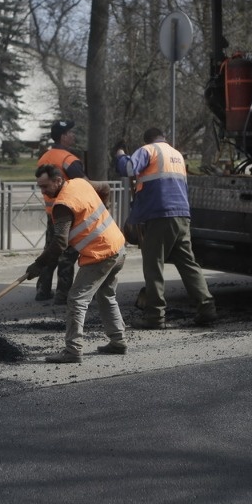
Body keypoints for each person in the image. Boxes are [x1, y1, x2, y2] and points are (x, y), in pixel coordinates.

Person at [114, 128, 216, 329]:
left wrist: (120, 155)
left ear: (147, 140)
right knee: (188, 264)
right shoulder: (176, 155)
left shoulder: (148, 150)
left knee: (153, 265)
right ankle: (207, 308)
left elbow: (128, 169)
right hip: (181, 215)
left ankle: (155, 316)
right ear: (164, 138)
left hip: (159, 215)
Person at [26, 164, 127, 363]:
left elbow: (60, 242)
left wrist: (39, 264)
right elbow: (105, 187)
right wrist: (104, 209)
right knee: (106, 295)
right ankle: (118, 341)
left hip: (101, 254)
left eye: (45, 186)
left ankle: (73, 350)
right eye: (40, 187)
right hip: (117, 246)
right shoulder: (80, 182)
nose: (43, 192)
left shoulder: (63, 204)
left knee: (76, 299)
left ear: (57, 180)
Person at [34, 120, 84, 305]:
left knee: (50, 250)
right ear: (63, 136)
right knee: (67, 254)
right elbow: (83, 185)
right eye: (71, 133)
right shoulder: (68, 160)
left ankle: (42, 290)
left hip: (50, 212)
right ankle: (62, 294)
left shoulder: (43, 158)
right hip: (67, 213)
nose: (73, 136)